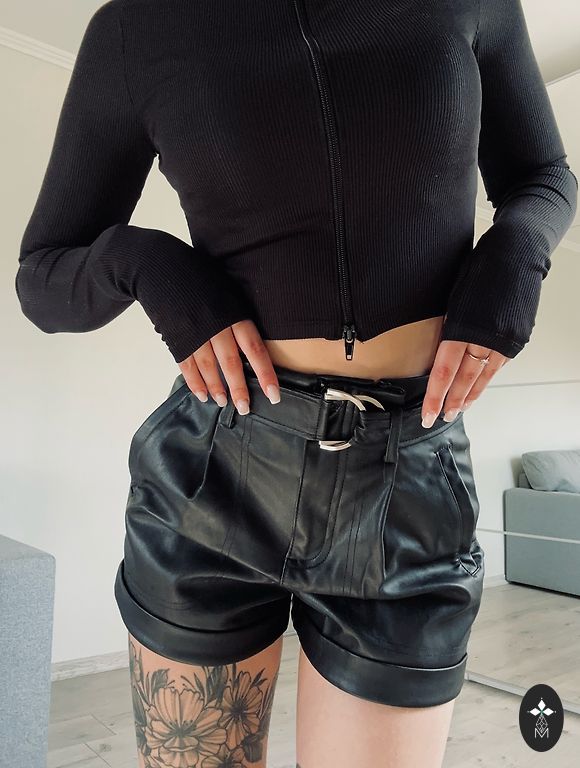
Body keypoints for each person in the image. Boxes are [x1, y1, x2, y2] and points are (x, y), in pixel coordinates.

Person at [15, 1, 577, 766]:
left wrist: (519, 249)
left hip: (408, 484)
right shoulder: (138, 27)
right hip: (218, 474)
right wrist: (145, 261)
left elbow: (542, 175)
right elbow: (42, 277)